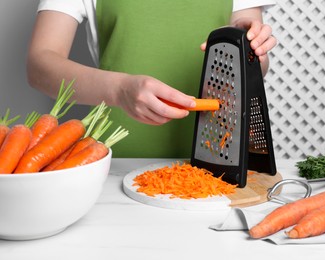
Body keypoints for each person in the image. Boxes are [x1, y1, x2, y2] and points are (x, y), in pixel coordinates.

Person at [27, 0, 277, 158]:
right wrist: (119, 89)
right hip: (116, 160)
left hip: (220, 156)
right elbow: (39, 65)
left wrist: (250, 50)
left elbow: (256, 66)